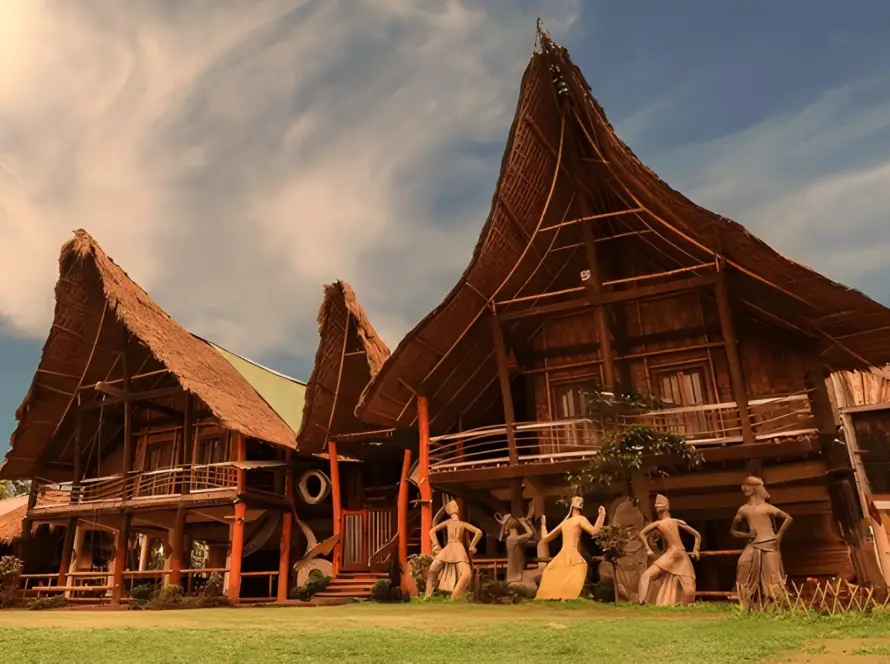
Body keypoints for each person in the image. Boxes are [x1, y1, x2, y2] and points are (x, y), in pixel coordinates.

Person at [730, 476, 793, 609]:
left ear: (756, 488)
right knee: (743, 564)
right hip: (753, 543)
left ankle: (776, 603)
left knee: (772, 574)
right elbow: (733, 531)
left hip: (769, 543)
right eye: (744, 486)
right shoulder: (743, 509)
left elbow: (788, 518)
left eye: (748, 486)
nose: (745, 489)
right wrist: (746, 535)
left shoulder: (767, 507)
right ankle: (749, 601)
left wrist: (779, 535)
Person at [535, 496, 606, 600]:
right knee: (552, 571)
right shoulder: (572, 521)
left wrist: (601, 516)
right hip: (567, 553)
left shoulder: (574, 520)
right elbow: (545, 539)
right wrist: (543, 525)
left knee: (578, 569)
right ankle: (556, 595)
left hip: (570, 554)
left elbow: (594, 532)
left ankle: (566, 596)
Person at [637, 494, 700, 605]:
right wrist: (648, 549)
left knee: (689, 590)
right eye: (656, 506)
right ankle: (641, 604)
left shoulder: (675, 521)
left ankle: (684, 606)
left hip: (680, 555)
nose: (657, 507)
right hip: (670, 555)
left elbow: (697, 535)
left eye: (659, 505)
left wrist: (696, 549)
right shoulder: (658, 524)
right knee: (646, 576)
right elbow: (642, 534)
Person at [425, 500, 482, 600]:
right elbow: (431, 532)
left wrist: (472, 546)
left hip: (458, 548)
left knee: (466, 574)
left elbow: (479, 532)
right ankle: (427, 596)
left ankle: (454, 597)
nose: (455, 508)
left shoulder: (462, 523)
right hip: (449, 548)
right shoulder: (449, 522)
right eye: (453, 506)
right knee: (433, 569)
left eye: (455, 506)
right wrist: (436, 545)